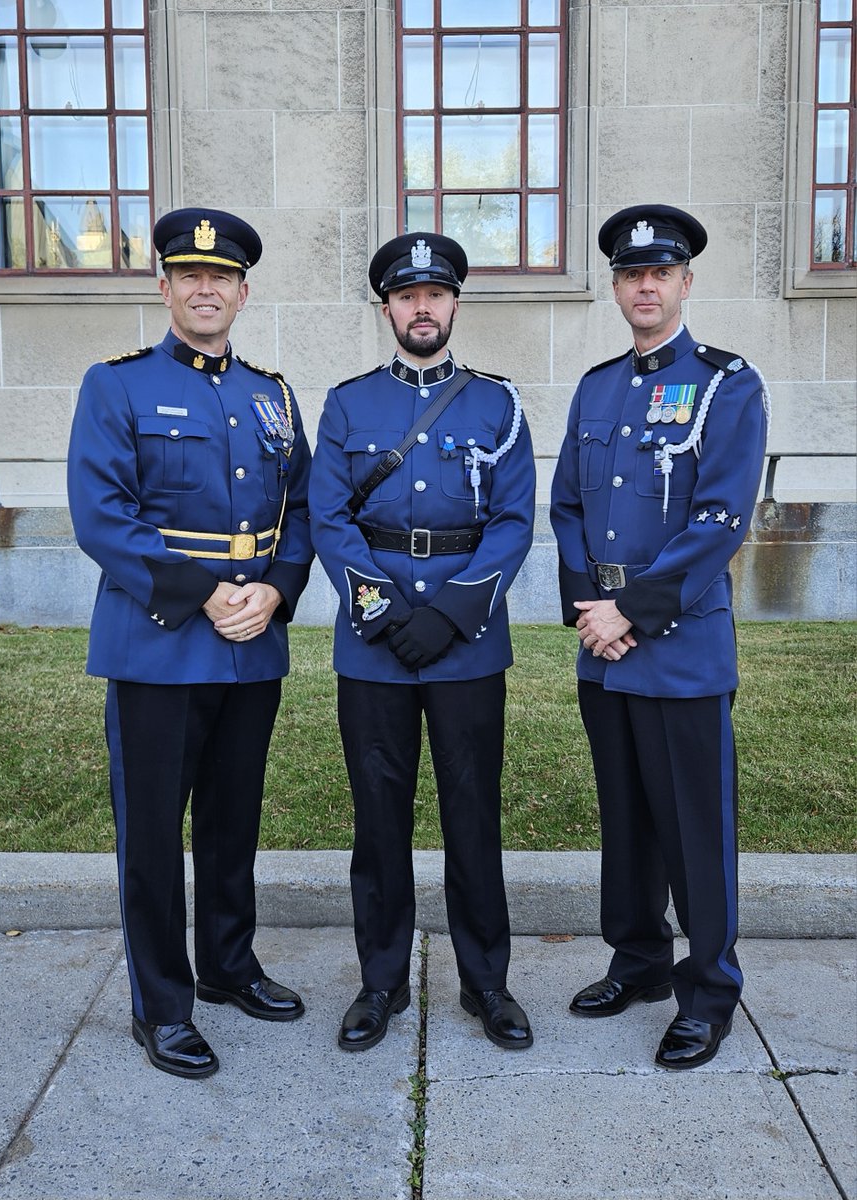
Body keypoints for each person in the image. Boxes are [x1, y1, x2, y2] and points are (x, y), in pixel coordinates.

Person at [67, 208, 313, 1079]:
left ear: (244, 293)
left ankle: (229, 967)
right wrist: (207, 593)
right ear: (165, 287)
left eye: (222, 278)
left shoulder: (273, 395)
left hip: (251, 643)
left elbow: (301, 510)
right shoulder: (117, 385)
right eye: (190, 276)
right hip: (159, 642)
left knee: (232, 821)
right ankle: (163, 1007)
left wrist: (276, 591)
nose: (206, 290)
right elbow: (102, 517)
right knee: (151, 835)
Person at [550, 205, 770, 1069]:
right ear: (615, 288)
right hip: (602, 647)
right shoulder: (598, 386)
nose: (645, 287)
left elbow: (720, 519)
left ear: (685, 283)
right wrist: (588, 609)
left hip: (677, 648)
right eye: (631, 274)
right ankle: (638, 961)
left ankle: (708, 990)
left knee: (693, 830)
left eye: (660, 273)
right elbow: (568, 505)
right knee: (627, 820)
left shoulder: (726, 385)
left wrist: (630, 612)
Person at [309, 232, 536, 1051]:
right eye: (407, 296)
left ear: (454, 304)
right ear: (388, 310)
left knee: (473, 813)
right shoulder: (348, 404)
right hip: (373, 645)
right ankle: (381, 982)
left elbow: (513, 520)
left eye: (435, 294)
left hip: (466, 641)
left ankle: (487, 982)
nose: (422, 307)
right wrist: (378, 610)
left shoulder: (497, 405)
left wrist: (451, 613)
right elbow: (328, 517)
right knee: (379, 819)